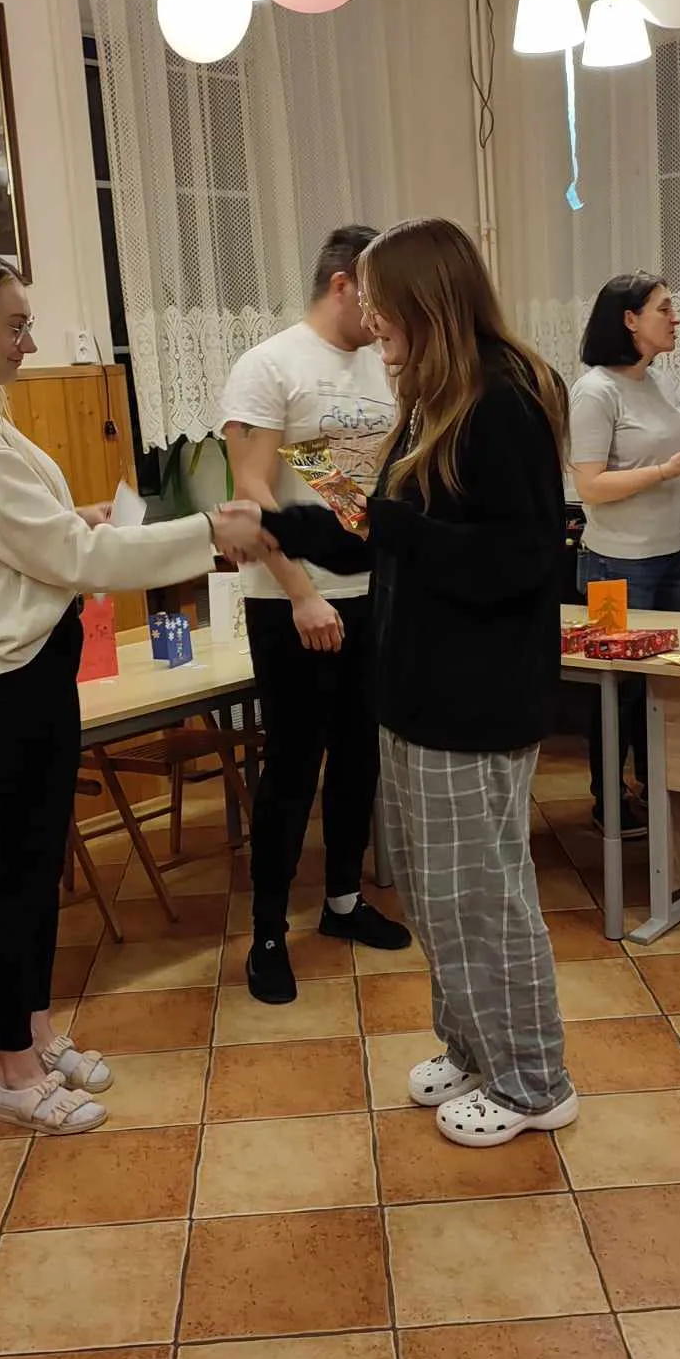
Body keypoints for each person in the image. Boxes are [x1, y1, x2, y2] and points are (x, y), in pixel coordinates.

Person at [0, 247, 273, 1135]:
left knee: (37, 869)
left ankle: (34, 1032)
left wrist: (76, 519)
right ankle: (15, 1073)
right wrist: (205, 532)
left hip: (35, 671)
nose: (27, 343)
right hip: (10, 682)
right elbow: (70, 562)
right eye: (14, 326)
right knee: (23, 878)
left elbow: (26, 540)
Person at [258, 218, 578, 1149]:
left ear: (425, 305)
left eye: (383, 313)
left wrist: (390, 530)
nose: (373, 330)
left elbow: (520, 561)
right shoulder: (437, 398)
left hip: (474, 702)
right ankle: (475, 1050)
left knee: (483, 900)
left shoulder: (502, 400)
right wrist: (278, 526)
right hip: (421, 698)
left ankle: (535, 1083)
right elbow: (377, 530)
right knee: (441, 899)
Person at [219, 225, 411, 1006]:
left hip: (371, 596)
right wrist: (302, 591)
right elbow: (252, 492)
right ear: (343, 285)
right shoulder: (269, 366)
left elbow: (371, 487)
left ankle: (342, 901)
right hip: (292, 602)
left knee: (360, 758)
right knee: (294, 767)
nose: (387, 315)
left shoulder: (381, 363)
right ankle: (267, 933)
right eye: (379, 296)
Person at [569, 274, 680, 836]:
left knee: (661, 682)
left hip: (671, 554)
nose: (677, 318)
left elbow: (668, 460)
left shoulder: (659, 381)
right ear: (629, 320)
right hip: (615, 566)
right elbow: (591, 486)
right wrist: (669, 470)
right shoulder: (595, 391)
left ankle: (655, 787)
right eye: (665, 309)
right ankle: (609, 799)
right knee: (616, 688)